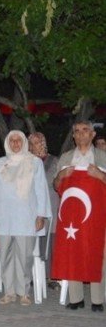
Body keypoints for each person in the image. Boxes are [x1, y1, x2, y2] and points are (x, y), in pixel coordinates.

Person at [0, 130, 51, 307]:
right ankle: (9, 292)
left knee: (24, 257)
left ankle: (24, 293)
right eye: (12, 140)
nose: (15, 144)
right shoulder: (0, 162)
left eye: (18, 140)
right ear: (8, 143)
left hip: (26, 217)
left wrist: (41, 215)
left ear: (24, 143)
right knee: (5, 255)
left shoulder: (35, 162)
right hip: (3, 217)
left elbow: (41, 190)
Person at [54, 121, 106, 312]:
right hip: (73, 218)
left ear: (92, 134)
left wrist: (100, 175)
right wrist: (61, 175)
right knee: (73, 254)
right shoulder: (67, 157)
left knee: (98, 253)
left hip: (99, 216)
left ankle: (97, 299)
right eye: (77, 131)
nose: (81, 134)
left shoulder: (103, 156)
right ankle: (76, 298)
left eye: (85, 131)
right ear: (73, 136)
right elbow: (56, 185)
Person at [28, 132, 60, 288]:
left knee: (49, 242)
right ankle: (33, 275)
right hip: (31, 207)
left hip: (51, 204)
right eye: (32, 143)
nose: (36, 145)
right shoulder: (27, 162)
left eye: (39, 142)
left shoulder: (54, 161)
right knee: (34, 242)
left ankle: (50, 277)